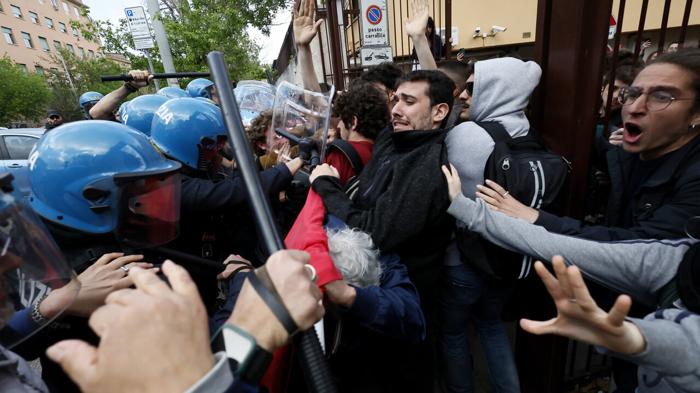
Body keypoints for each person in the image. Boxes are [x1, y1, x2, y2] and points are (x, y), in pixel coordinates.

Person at [310, 69, 455, 391]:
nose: (397, 110)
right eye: (395, 100)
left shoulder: (428, 168)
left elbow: (374, 232)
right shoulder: (393, 138)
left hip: (404, 304)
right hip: (374, 296)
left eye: (409, 101)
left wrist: (326, 186)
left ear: (439, 112)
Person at [325, 79, 388, 185]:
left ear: (353, 122)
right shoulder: (385, 151)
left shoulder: (340, 155)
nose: (339, 126)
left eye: (341, 119)